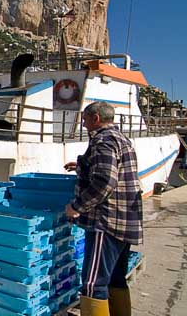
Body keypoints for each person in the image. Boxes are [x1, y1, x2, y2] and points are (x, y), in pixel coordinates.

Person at [64, 102, 142, 316]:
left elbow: (105, 182)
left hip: (106, 222)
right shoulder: (120, 139)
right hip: (125, 219)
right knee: (116, 278)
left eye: (85, 118)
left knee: (93, 284)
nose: (83, 122)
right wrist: (81, 165)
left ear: (96, 118)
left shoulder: (103, 141)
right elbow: (113, 169)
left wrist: (76, 206)